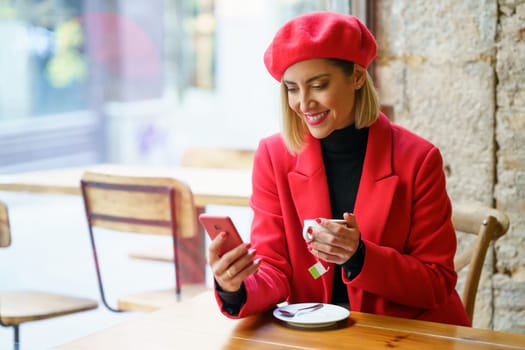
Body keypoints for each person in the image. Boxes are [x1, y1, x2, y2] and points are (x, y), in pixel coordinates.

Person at [206, 11, 471, 327]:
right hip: (317, 335)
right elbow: (274, 268)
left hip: (405, 333)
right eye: (292, 89)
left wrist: (360, 257)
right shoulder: (274, 155)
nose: (304, 103)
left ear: (357, 77)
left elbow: (436, 283)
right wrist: (234, 287)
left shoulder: (418, 159)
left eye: (318, 85)